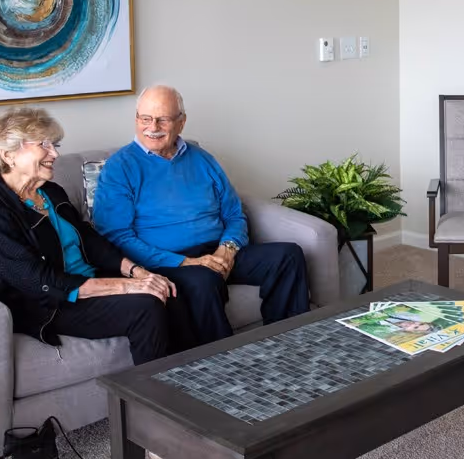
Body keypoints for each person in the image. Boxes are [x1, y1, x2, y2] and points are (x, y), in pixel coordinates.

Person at [92, 85, 310, 344]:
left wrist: (227, 249)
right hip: (164, 261)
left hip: (214, 250)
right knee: (203, 279)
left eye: (163, 119)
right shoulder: (120, 167)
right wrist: (185, 263)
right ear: (136, 120)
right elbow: (117, 238)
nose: (153, 127)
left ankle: (289, 344)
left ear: (181, 122)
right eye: (145, 118)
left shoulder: (202, 159)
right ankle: (223, 363)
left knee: (288, 255)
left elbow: (233, 212)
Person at [0, 107, 180, 366]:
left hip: (88, 280)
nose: (55, 153)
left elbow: (88, 240)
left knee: (170, 288)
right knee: (146, 306)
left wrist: (137, 272)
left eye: (55, 144)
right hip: (52, 303)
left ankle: (194, 379)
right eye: (44, 145)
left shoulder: (51, 192)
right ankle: (154, 398)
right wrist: (130, 286)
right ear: (8, 154)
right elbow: (41, 282)